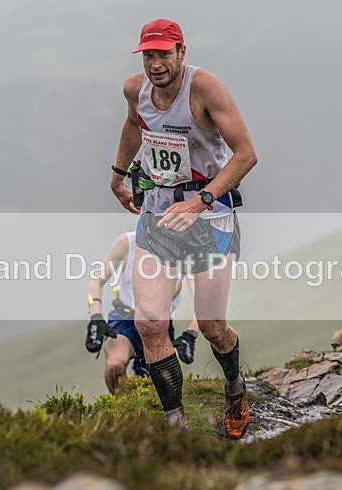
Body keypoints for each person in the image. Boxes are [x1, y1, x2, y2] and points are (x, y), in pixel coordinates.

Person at [109, 19, 257, 438]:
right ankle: (177, 429)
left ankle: (234, 388)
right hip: (157, 215)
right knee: (150, 324)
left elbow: (246, 154)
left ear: (181, 52)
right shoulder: (134, 88)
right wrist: (118, 174)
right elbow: (134, 124)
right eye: (148, 55)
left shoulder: (204, 89)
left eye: (163, 54)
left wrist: (202, 199)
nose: (156, 64)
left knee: (212, 327)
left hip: (209, 218)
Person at [85, 230, 199, 394]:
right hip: (125, 318)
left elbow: (201, 301)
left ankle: (145, 411)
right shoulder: (127, 243)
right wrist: (95, 317)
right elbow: (97, 280)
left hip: (159, 325)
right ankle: (124, 410)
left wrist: (191, 333)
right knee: (114, 366)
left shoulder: (187, 251)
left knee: (156, 385)